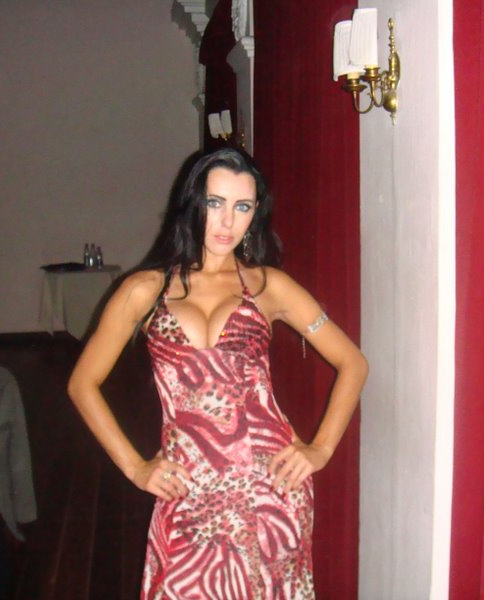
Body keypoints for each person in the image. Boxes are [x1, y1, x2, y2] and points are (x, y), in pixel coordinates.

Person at [68, 147, 368, 599]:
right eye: (215, 203)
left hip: (272, 490)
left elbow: (353, 363)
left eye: (242, 207)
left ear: (255, 213)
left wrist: (321, 448)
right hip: (187, 489)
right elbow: (82, 384)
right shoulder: (144, 290)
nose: (228, 222)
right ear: (192, 203)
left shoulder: (268, 286)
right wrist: (135, 467)